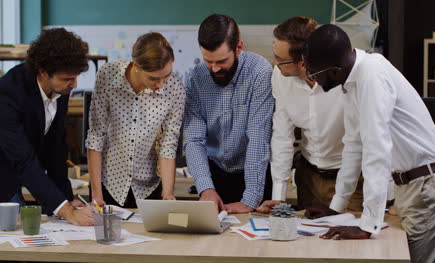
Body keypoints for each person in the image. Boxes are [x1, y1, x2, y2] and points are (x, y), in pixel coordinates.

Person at [302, 24, 435, 263]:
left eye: (314, 73)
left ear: (334, 70)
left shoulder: (371, 75)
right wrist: (337, 206)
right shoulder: (352, 81)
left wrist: (368, 224)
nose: (312, 79)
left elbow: (377, 150)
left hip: (427, 185)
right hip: (413, 185)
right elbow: (353, 144)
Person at [256, 17, 364, 214]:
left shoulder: (344, 77)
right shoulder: (280, 77)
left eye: (280, 60)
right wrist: (278, 197)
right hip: (309, 179)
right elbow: (282, 137)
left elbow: (374, 137)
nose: (274, 63)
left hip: (352, 180)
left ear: (304, 62)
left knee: (350, 241)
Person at [0, 28, 93, 226]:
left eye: (75, 77)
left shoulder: (60, 89)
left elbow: (56, 151)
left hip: (20, 171)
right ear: (42, 71)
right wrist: (65, 210)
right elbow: (23, 160)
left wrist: (66, 199)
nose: (73, 85)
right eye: (67, 79)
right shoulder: (8, 93)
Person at [184, 14, 274, 213]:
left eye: (222, 61)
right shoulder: (195, 78)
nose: (214, 68)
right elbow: (194, 140)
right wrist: (205, 187)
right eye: (208, 61)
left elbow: (258, 138)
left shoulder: (260, 72)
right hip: (215, 175)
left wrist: (250, 199)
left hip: (255, 176)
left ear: (239, 48)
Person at [86, 32, 185, 208]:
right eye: (153, 78)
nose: (161, 84)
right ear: (136, 65)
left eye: (166, 76)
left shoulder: (175, 89)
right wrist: (96, 195)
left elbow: (168, 145)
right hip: (108, 183)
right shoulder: (108, 75)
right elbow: (96, 135)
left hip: (148, 186)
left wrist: (168, 195)